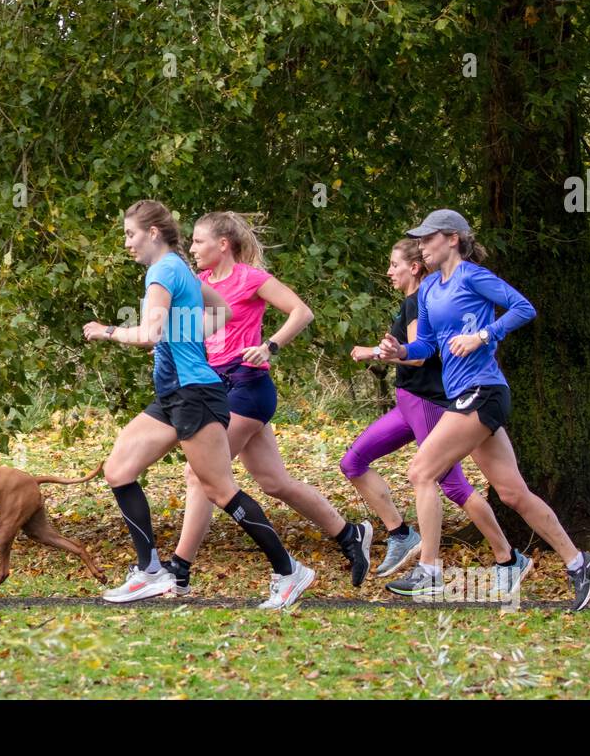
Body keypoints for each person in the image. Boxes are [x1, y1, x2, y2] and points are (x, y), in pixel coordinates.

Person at [82, 199, 315, 609]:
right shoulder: (184, 272)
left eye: (130, 234)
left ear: (153, 233)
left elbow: (150, 334)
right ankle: (150, 571)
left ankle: (288, 571)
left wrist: (109, 330)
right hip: (173, 394)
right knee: (119, 469)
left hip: (196, 394)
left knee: (220, 489)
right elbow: (221, 312)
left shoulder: (162, 271)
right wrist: (185, 335)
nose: (126, 243)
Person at [377, 209, 590, 610]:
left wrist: (483, 335)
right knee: (513, 493)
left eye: (428, 239)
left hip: (484, 391)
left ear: (451, 239)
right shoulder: (429, 291)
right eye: (421, 240)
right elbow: (426, 346)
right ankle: (579, 562)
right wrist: (400, 352)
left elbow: (523, 308)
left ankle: (429, 571)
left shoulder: (473, 277)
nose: (423, 246)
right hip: (462, 395)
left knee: (421, 471)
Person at [163, 211, 372, 597]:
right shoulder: (200, 283)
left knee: (202, 476)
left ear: (223, 245)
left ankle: (179, 568)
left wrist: (269, 346)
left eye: (198, 241)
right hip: (215, 387)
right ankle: (349, 534)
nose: (191, 249)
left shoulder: (250, 278)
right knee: (274, 482)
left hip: (247, 385)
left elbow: (301, 312)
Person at [342, 237, 528, 588]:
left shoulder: (420, 299)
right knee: (353, 461)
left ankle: (505, 557)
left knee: (453, 485)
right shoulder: (416, 301)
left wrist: (375, 352)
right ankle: (400, 534)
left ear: (413, 267)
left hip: (427, 403)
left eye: (394, 265)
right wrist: (383, 351)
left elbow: (418, 355)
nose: (388, 272)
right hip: (406, 404)